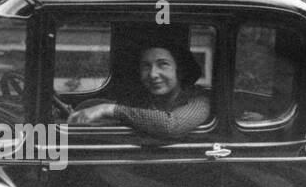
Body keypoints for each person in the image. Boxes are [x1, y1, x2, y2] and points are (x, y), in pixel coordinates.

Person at [67, 44, 210, 140]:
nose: (153, 74)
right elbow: (120, 109)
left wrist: (108, 109)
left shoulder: (199, 100)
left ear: (181, 70)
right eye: (146, 66)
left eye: (163, 64)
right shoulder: (143, 98)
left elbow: (170, 125)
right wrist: (81, 113)